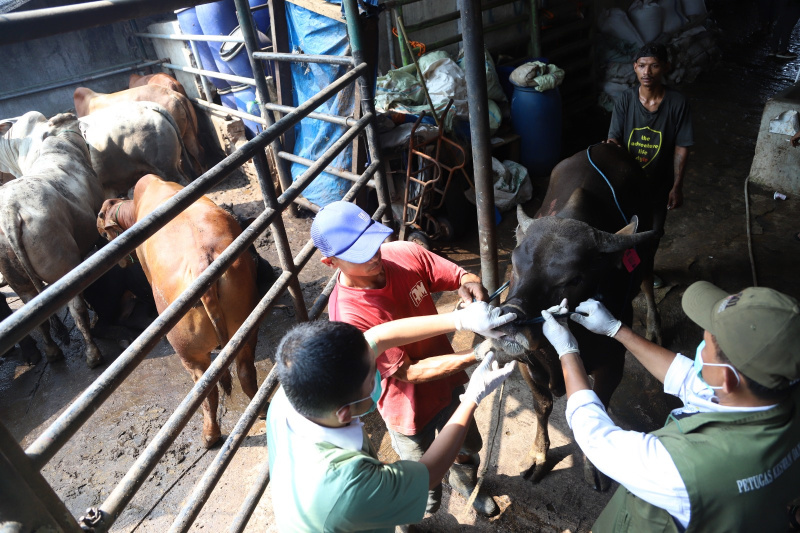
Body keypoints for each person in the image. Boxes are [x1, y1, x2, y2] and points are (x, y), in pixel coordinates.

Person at [536, 281, 800, 532]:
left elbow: (596, 437)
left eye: (705, 342)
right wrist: (616, 329)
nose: (699, 347)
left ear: (727, 378)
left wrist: (566, 351)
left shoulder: (683, 471)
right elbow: (688, 380)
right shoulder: (777, 391)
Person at [310, 200, 502, 516]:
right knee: (423, 487)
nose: (374, 256)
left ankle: (466, 483)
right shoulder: (349, 316)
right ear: (331, 263)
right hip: (409, 409)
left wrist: (470, 286)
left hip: (449, 384)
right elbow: (409, 373)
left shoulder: (401, 253)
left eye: (373, 243)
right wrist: (477, 354)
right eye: (359, 254)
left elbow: (458, 275)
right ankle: (413, 518)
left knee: (468, 448)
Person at [266, 308, 517, 532]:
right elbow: (427, 474)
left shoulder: (294, 395)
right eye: (373, 375)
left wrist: (461, 319)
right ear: (344, 412)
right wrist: (472, 397)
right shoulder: (351, 485)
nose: (379, 372)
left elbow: (376, 338)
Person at [607, 43, 694, 287]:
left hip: (659, 183)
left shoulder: (677, 103)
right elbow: (614, 137)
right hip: (627, 183)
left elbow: (682, 146)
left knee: (653, 234)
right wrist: (613, 147)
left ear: (665, 68)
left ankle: (646, 273)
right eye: (642, 65)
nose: (647, 72)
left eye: (654, 65)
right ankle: (626, 274)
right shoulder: (625, 100)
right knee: (625, 231)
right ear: (635, 68)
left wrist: (677, 186)